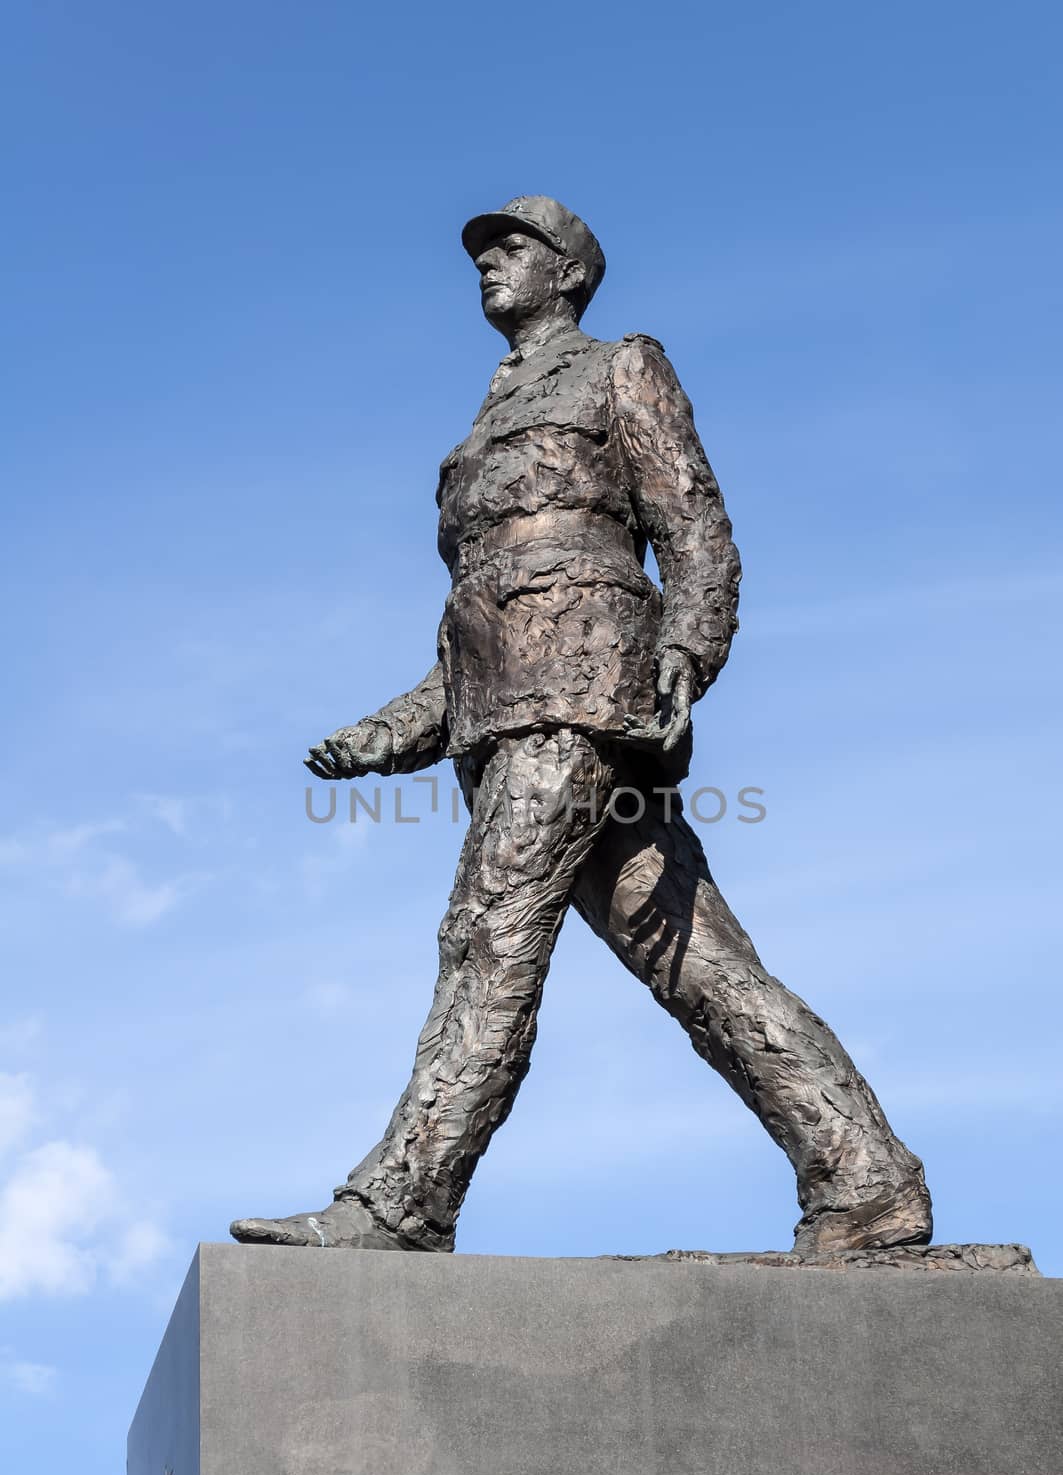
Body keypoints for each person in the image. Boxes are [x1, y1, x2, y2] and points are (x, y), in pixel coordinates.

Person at [231, 196, 932, 1258]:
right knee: (696, 962)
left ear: (568, 272)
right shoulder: (488, 414)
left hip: (588, 704)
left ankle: (399, 1207)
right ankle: (866, 1179)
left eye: (512, 247)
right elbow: (490, 606)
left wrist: (684, 657)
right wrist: (392, 730)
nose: (488, 265)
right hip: (512, 706)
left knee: (488, 935)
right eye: (483, 253)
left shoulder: (620, 367)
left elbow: (693, 527)